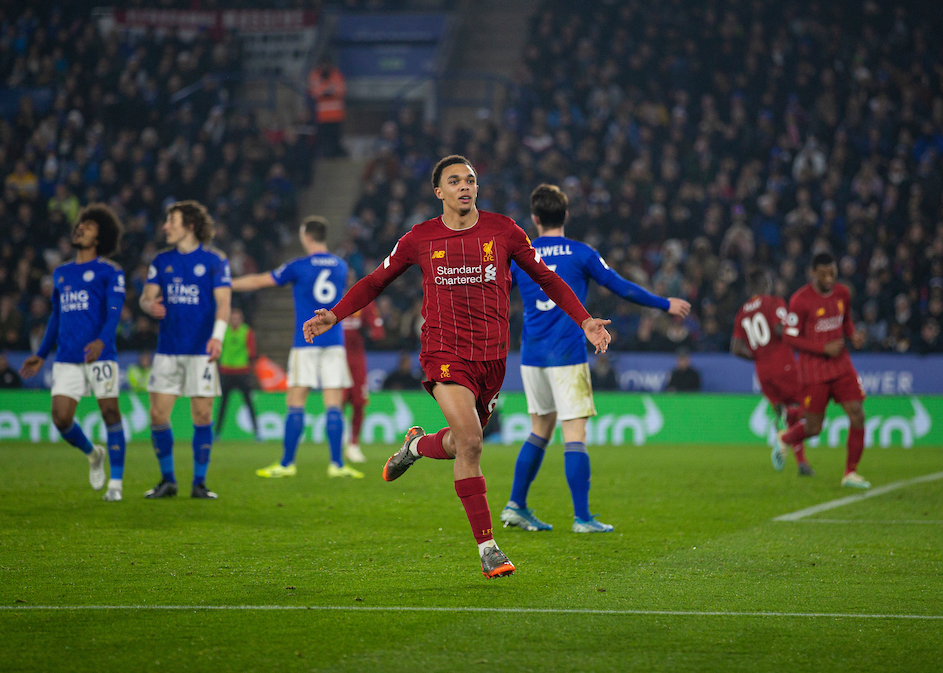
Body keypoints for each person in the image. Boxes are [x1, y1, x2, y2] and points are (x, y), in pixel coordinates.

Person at [302, 155, 612, 579]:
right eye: (455, 181)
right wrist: (334, 315)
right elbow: (375, 280)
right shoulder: (420, 238)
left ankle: (414, 447)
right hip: (443, 353)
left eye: (470, 180)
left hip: (492, 359)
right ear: (439, 192)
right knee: (472, 441)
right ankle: (488, 547)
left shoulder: (504, 231)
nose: (465, 186)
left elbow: (548, 279)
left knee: (463, 443)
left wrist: (586, 319)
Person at [502, 184, 690, 534]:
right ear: (566, 214)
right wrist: (664, 304)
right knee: (574, 433)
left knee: (539, 430)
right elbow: (619, 286)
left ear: (535, 218)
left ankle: (516, 505)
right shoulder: (581, 253)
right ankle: (583, 518)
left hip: (531, 355)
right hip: (567, 354)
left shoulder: (521, 255)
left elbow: (496, 291)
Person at [232, 216, 362, 479]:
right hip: (333, 342)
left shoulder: (299, 266)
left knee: (296, 402)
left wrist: (227, 285)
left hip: (305, 342)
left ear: (307, 237)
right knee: (334, 405)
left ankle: (287, 463)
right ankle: (337, 465)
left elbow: (261, 281)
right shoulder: (340, 266)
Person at [19, 205, 126, 501]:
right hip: (67, 356)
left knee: (110, 412)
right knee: (61, 419)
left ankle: (115, 484)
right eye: (80, 225)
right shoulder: (62, 273)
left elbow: (115, 310)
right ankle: (94, 454)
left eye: (89, 226)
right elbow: (57, 315)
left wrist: (102, 341)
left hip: (100, 355)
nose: (80, 228)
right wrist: (41, 353)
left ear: (100, 237)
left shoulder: (110, 271)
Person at [139, 201, 232, 500]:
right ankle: (168, 481)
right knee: (157, 415)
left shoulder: (215, 261)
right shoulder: (161, 261)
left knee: (203, 415)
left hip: (201, 350)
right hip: (168, 350)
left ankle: (199, 483)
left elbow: (224, 304)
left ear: (190, 226)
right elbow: (145, 297)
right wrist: (148, 306)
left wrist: (217, 337)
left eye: (172, 221)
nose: (166, 227)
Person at [778, 252, 870, 488]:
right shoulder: (800, 300)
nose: (829, 277)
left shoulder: (843, 293)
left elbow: (845, 320)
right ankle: (785, 437)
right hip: (813, 370)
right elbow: (789, 338)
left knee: (858, 414)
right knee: (813, 427)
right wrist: (822, 347)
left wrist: (853, 335)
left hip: (841, 364)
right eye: (823, 273)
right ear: (812, 274)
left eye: (832, 272)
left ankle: (850, 473)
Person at [731, 269, 812, 475]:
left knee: (791, 416)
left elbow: (735, 348)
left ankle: (801, 463)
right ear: (766, 283)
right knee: (811, 409)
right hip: (783, 364)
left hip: (762, 372)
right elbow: (779, 329)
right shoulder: (774, 302)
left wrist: (757, 356)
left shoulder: (742, 311)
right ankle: (783, 436)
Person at [341, 291, 385, 462]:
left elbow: (378, 332)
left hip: (357, 360)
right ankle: (340, 441)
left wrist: (369, 331)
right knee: (338, 402)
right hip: (337, 359)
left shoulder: (364, 302)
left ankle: (353, 445)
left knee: (359, 403)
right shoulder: (332, 300)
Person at [215, 307, 261, 440]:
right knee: (222, 405)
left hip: (242, 372)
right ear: (229, 319)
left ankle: (257, 432)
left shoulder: (246, 331)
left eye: (237, 318)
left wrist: (251, 369)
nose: (235, 320)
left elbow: (252, 352)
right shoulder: (223, 331)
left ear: (241, 319)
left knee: (249, 404)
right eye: (233, 318)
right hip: (226, 372)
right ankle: (217, 433)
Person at [307, 57, 347, 158]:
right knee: (324, 138)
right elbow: (314, 91)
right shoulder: (315, 75)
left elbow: (341, 90)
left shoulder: (336, 74)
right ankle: (325, 154)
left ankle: (336, 154)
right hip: (322, 115)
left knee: (336, 137)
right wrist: (328, 90)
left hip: (336, 114)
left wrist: (326, 90)